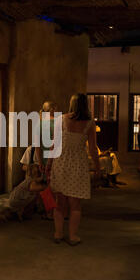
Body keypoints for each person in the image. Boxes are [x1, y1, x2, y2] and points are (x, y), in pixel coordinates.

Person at [46, 94, 100, 246]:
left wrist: (49, 164)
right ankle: (73, 236)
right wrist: (97, 167)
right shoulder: (89, 123)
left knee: (60, 202)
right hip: (78, 164)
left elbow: (54, 144)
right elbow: (93, 149)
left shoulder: (61, 120)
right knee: (75, 204)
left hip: (61, 162)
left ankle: (57, 233)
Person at [35, 101, 57, 174]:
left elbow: (37, 146)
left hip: (44, 157)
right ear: (53, 109)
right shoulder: (60, 122)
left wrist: (40, 162)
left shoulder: (39, 124)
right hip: (57, 157)